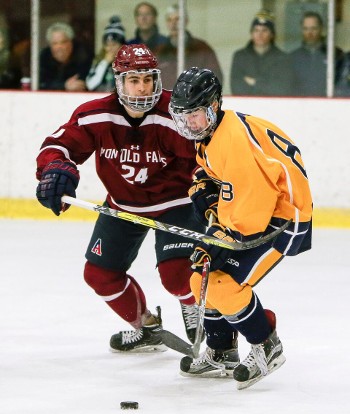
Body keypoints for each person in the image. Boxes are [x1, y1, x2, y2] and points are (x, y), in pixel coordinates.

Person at [35, 44, 205, 353]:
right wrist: (54, 169)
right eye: (134, 80)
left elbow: (204, 160)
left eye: (148, 80)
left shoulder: (175, 114)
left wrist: (208, 189)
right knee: (99, 275)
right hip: (123, 204)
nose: (142, 88)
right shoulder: (96, 115)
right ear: (118, 82)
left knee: (177, 277)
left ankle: (191, 303)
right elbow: (57, 147)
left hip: (175, 204)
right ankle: (147, 328)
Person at [169, 67, 313, 388]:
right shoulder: (215, 130)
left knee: (222, 285)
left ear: (214, 105)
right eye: (184, 116)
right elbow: (223, 177)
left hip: (283, 218)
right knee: (199, 278)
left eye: (195, 115)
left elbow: (253, 205)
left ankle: (267, 345)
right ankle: (221, 351)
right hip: (258, 210)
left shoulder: (233, 140)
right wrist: (206, 186)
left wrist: (222, 237)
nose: (189, 123)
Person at [157, 4, 223, 90]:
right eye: (169, 20)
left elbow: (215, 78)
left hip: (195, 102)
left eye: (177, 19)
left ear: (186, 21)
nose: (173, 24)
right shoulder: (159, 51)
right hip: (167, 101)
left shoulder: (202, 48)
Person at [230, 11, 294, 96]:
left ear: (272, 34)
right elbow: (236, 88)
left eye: (264, 30)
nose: (260, 34)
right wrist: (267, 85)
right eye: (256, 30)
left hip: (273, 106)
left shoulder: (282, 58)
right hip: (246, 106)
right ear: (251, 34)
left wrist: (254, 82)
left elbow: (282, 89)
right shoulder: (240, 56)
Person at [290, 11, 344, 96]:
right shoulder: (292, 57)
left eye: (313, 28)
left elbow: (342, 85)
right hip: (300, 105)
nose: (309, 33)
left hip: (328, 104)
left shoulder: (336, 54)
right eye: (306, 28)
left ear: (321, 29)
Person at [39, 22, 93, 91]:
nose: (59, 47)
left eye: (63, 42)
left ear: (71, 42)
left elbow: (86, 82)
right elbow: (41, 84)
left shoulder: (84, 55)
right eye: (55, 43)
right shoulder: (44, 57)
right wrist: (64, 85)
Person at [86, 16, 126, 92]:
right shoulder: (98, 61)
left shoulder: (128, 63)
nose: (110, 48)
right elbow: (90, 85)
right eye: (107, 45)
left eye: (114, 45)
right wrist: (104, 63)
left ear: (122, 46)